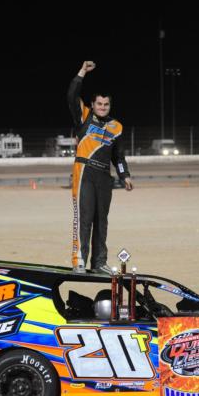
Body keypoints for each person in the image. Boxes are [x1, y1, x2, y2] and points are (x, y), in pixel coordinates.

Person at [67, 61, 133, 274]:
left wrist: (125, 176)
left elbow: (119, 156)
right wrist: (82, 73)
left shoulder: (117, 127)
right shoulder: (84, 117)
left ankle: (99, 263)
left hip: (105, 177)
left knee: (101, 221)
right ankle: (79, 261)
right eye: (99, 104)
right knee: (84, 218)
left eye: (106, 105)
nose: (102, 107)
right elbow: (71, 95)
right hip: (84, 173)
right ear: (93, 105)